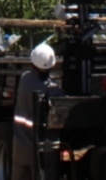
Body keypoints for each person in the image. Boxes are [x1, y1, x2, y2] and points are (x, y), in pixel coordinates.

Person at [12, 43, 63, 180]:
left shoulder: (24, 79)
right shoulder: (52, 89)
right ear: (52, 66)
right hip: (40, 150)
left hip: (21, 147)